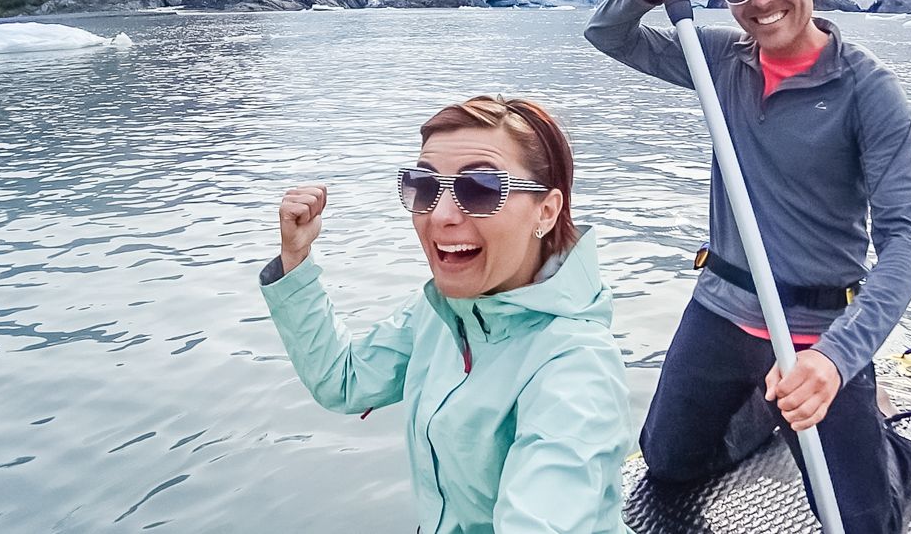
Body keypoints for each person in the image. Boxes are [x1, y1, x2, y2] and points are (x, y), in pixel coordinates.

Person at [584, 0, 911, 533]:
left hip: (816, 332)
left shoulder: (867, 89)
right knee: (667, 466)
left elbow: (907, 241)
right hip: (721, 311)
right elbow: (610, 35)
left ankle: (881, 440)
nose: (761, 1)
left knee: (862, 522)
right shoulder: (719, 60)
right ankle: (762, 410)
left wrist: (836, 358)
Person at [258, 95, 633, 533]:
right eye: (424, 186)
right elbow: (345, 382)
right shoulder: (443, 313)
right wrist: (296, 259)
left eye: (482, 190)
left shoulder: (576, 369)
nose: (440, 215)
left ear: (546, 212)